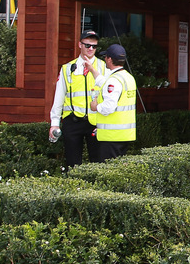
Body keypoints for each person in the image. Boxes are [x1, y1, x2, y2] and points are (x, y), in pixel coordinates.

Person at [49, 30, 107, 167]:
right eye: (87, 45)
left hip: (96, 121)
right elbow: (59, 96)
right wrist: (54, 123)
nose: (91, 49)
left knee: (98, 163)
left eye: (94, 46)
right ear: (79, 45)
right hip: (73, 120)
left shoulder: (104, 67)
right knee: (72, 164)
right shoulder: (67, 68)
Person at [92, 43, 137, 161]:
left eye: (105, 57)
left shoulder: (113, 81)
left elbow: (108, 107)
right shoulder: (128, 78)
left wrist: (95, 107)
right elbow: (107, 85)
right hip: (124, 135)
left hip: (111, 137)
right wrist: (92, 70)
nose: (105, 60)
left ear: (110, 59)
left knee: (107, 172)